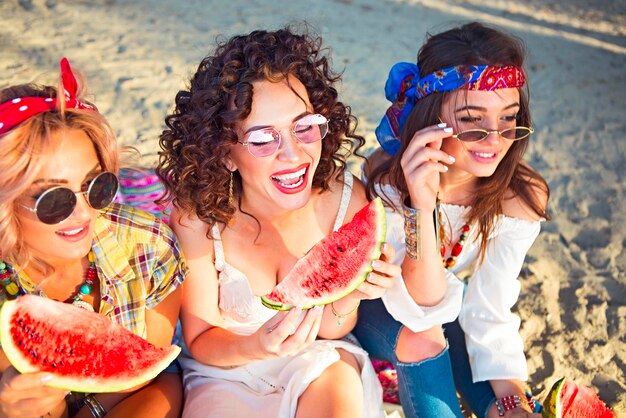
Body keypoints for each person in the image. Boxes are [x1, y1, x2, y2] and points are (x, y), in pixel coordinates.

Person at [156, 27, 401, 418]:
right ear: (225, 154)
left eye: (304, 126)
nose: (293, 153)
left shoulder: (345, 198)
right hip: (225, 370)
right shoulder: (197, 220)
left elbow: (332, 329)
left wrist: (354, 293)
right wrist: (258, 346)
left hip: (321, 359)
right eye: (262, 138)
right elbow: (201, 339)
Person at [352, 22, 550, 418]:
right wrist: (420, 206)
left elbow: (489, 306)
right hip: (382, 311)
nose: (495, 140)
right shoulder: (386, 178)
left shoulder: (520, 194)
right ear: (430, 115)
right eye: (473, 120)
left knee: (466, 338)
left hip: (447, 309)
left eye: (508, 118)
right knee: (422, 334)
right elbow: (417, 305)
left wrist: (511, 401)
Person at [0, 58, 186, 418]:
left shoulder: (148, 247)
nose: (83, 212)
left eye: (97, 186)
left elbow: (147, 373)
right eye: (53, 198)